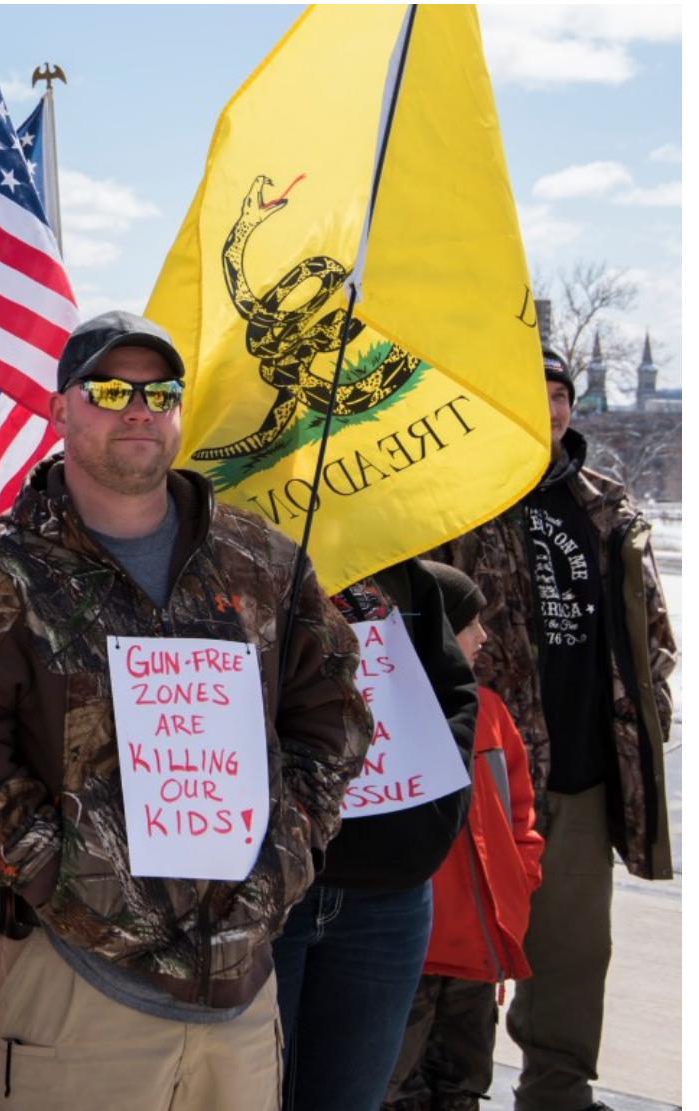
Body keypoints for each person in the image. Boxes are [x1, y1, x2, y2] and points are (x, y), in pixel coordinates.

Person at [0, 310, 373, 1111]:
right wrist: (65, 872)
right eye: (111, 388)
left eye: (160, 393)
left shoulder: (261, 563)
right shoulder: (5, 574)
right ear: (60, 409)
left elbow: (330, 713)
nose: (138, 409)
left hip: (238, 987)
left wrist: (285, 853)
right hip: (79, 984)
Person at [431, 348, 676, 1111]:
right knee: (462, 943)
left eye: (560, 393)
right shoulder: (455, 501)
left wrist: (646, 716)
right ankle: (443, 1091)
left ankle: (558, 1092)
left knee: (573, 950)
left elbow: (653, 637)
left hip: (580, 766)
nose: (549, 407)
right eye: (530, 392)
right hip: (485, 770)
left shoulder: (609, 507)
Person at [270, 558, 479, 1111]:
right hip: (268, 892)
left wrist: (435, 815)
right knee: (250, 1093)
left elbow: (454, 694)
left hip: (387, 899)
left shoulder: (402, 572)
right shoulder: (228, 552)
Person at [383, 560, 544, 1111]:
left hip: (479, 951)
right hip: (416, 952)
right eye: (470, 622)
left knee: (464, 1087)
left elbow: (520, 806)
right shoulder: (385, 711)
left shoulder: (491, 711)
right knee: (393, 1088)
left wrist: (520, 879)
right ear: (432, 628)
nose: (484, 635)